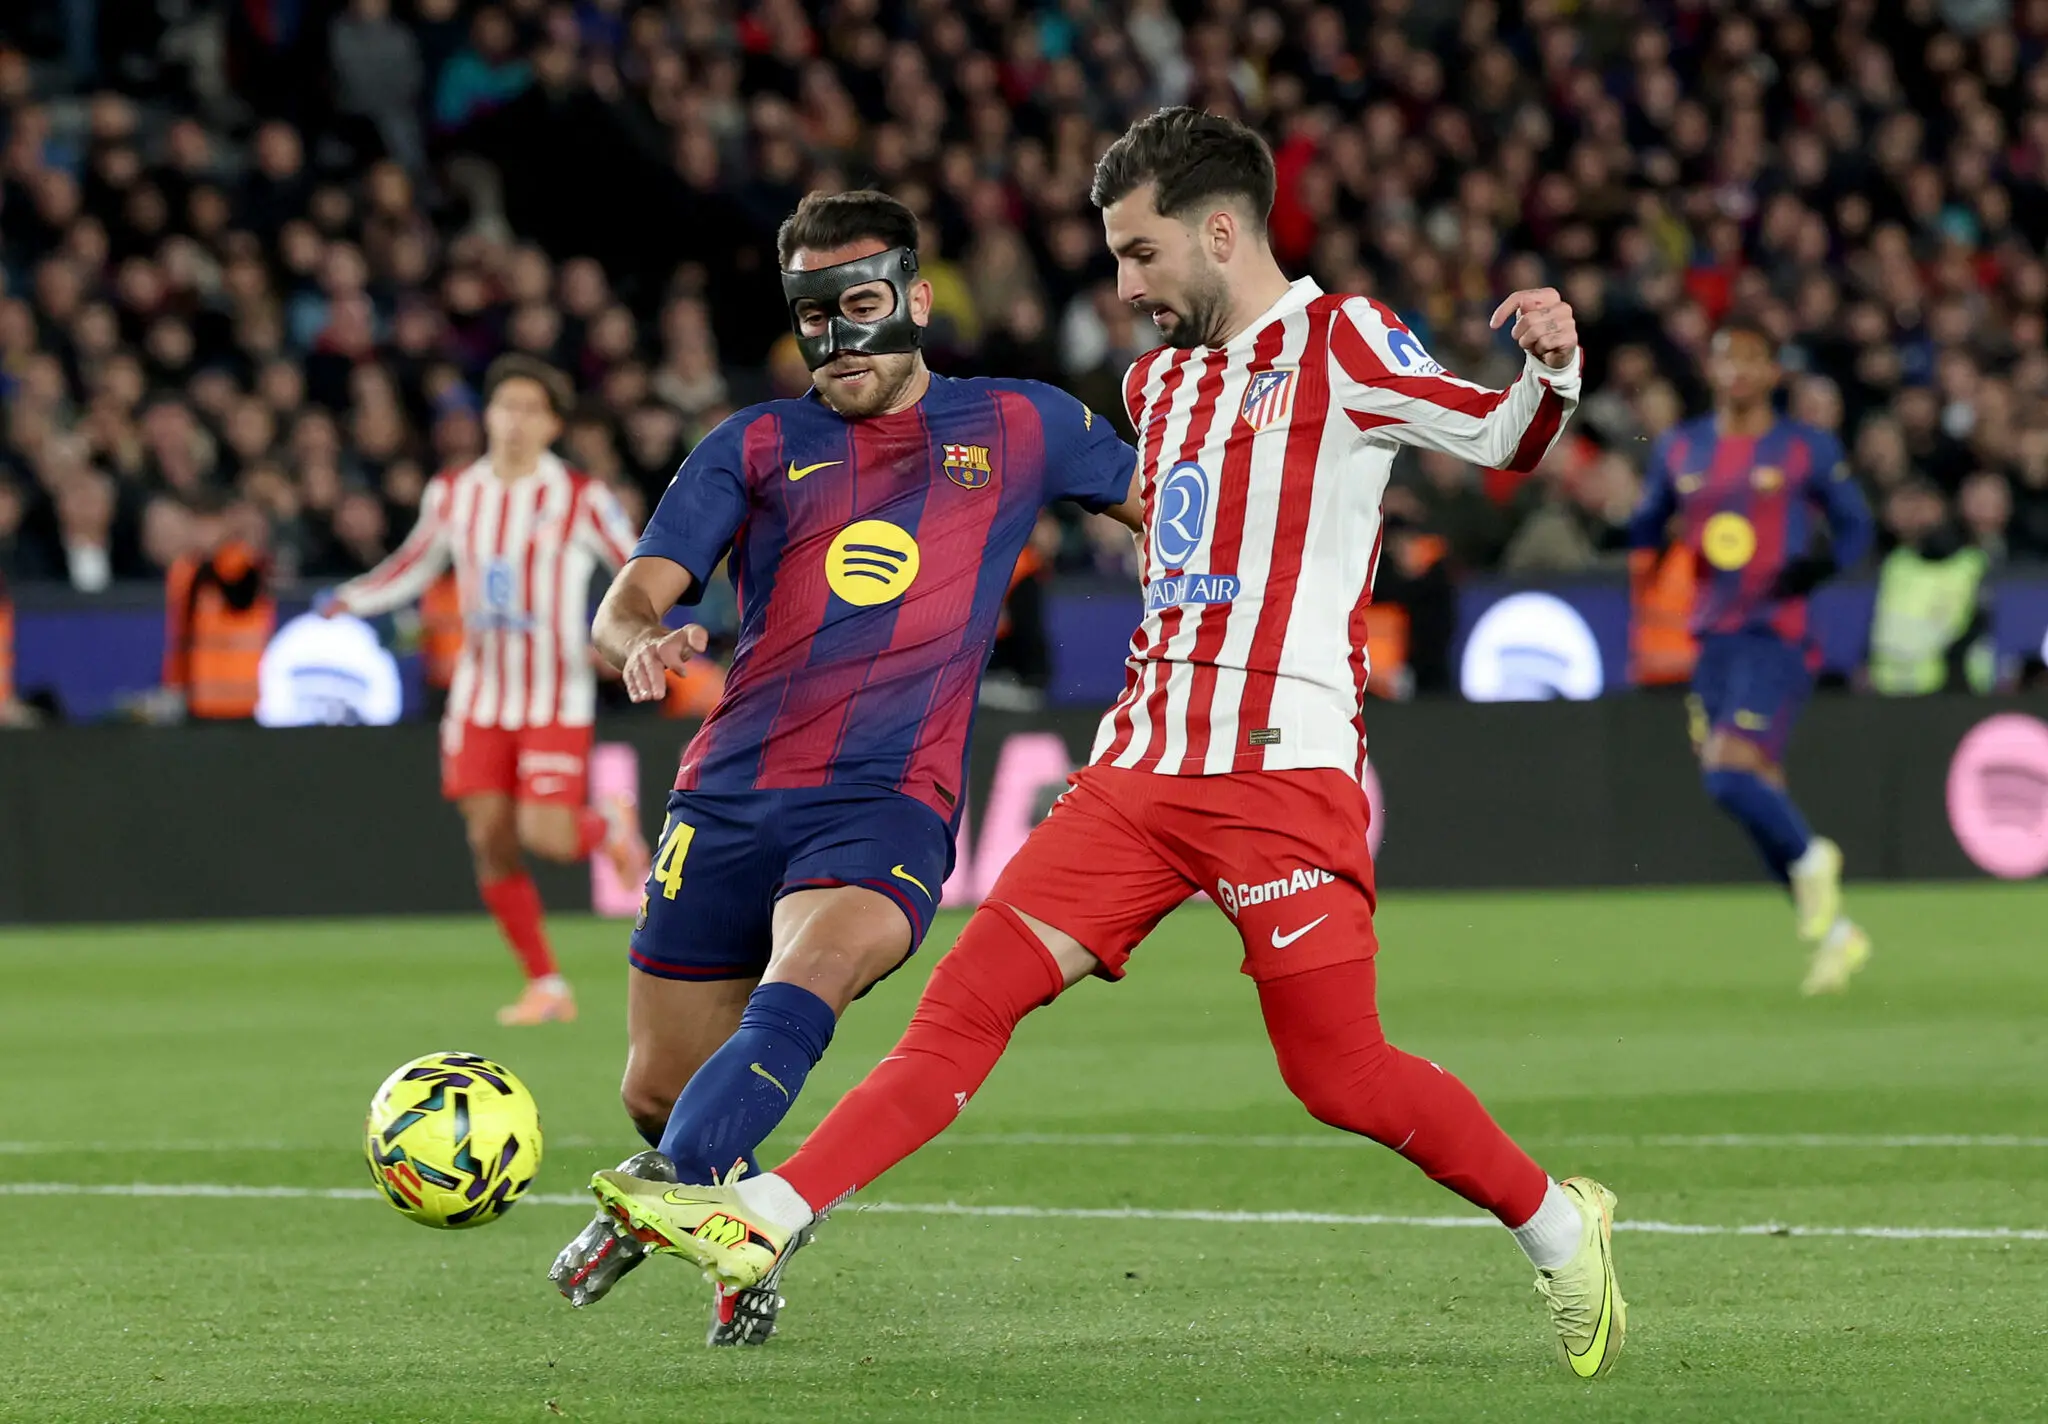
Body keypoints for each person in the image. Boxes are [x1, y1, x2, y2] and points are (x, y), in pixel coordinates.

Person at [586, 109, 1627, 1381]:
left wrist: (1552, 369)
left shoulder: (1342, 342)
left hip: (1276, 770)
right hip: (1136, 772)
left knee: (1338, 1073)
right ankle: (764, 1215)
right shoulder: (1157, 385)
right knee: (963, 1007)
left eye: (1139, 255)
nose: (1123, 287)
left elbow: (1500, 436)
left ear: (1220, 231)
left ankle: (1560, 1226)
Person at [547, 188, 1143, 1345]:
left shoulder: (1020, 425)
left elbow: (1171, 508)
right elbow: (626, 600)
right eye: (811, 318)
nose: (837, 341)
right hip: (728, 794)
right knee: (661, 1085)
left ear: (916, 300)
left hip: (885, 803)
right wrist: (637, 644)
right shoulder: (756, 442)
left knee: (807, 977)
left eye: (860, 306)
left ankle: (667, 1201)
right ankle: (743, 1223)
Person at [322, 354, 649, 1026]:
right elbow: (415, 561)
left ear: (553, 424)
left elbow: (638, 562)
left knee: (548, 837)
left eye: (532, 409)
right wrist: (352, 600)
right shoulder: (454, 492)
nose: (515, 421)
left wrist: (651, 624)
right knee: (490, 838)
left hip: (553, 694)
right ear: (487, 416)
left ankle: (605, 824)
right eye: (506, 406)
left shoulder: (580, 497)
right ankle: (547, 984)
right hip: (479, 697)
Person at [1624, 319, 1876, 994]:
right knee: (1756, 787)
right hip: (1710, 639)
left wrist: (1821, 567)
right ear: (1711, 370)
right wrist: (1621, 529)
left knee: (1726, 775)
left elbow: (1857, 524)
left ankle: (1814, 856)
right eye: (1725, 358)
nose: (1736, 370)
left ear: (1772, 372)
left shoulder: (1805, 448)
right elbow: (1652, 519)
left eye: (1750, 359)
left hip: (1778, 634)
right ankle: (1835, 935)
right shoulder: (1681, 447)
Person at [163, 495, 277, 721]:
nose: (201, 534)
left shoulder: (241, 563)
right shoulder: (184, 570)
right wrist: (175, 684)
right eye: (196, 526)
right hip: (198, 700)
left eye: (209, 526)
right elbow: (180, 633)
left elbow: (238, 596)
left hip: (244, 701)